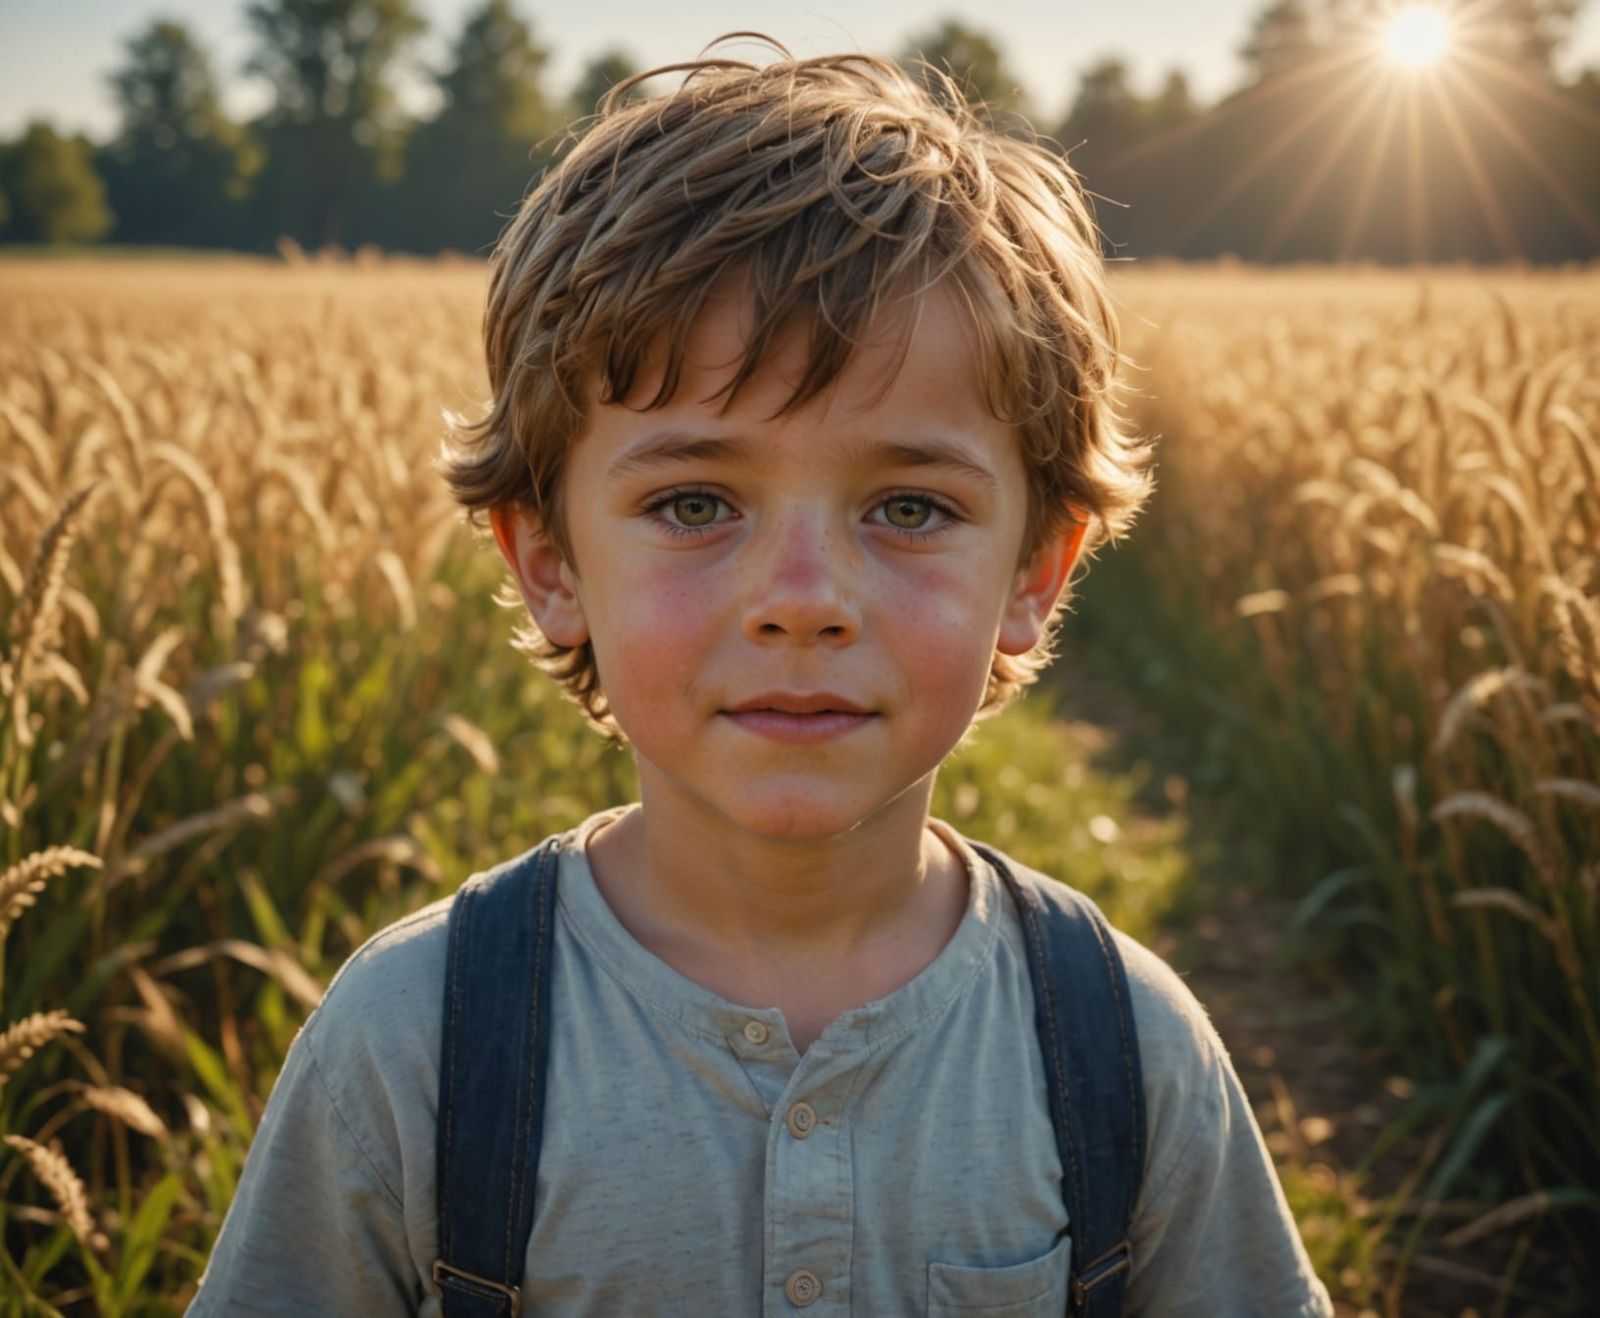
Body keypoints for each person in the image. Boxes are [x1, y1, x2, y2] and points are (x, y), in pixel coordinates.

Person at [189, 38, 1333, 1317]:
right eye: (693, 502)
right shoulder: (420, 1042)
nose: (803, 600)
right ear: (551, 561)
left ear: (1035, 572)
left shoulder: (1121, 1043)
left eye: (907, 505)